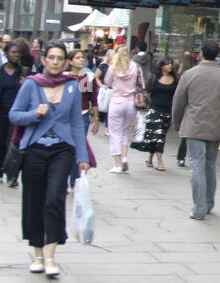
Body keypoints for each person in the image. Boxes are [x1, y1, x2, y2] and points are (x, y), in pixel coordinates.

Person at [8, 42, 90, 278]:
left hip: (62, 150)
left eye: (60, 58)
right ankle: (37, 255)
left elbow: (76, 123)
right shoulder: (31, 85)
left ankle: (51, 256)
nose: (55, 62)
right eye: (51, 57)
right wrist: (35, 114)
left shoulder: (73, 87)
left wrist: (82, 157)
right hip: (34, 149)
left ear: (66, 62)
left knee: (54, 198)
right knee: (34, 200)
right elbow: (14, 114)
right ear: (43, 60)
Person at [171, 40, 220, 220]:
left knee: (196, 166)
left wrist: (177, 122)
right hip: (215, 127)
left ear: (201, 53)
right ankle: (208, 203)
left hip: (193, 126)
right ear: (218, 54)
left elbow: (179, 101)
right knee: (210, 165)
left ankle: (199, 208)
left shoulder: (189, 74)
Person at [0, 39, 33, 186]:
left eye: (18, 53)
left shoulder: (23, 73)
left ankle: (12, 175)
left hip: (17, 114)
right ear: (6, 53)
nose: (16, 55)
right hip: (0, 113)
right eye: (13, 52)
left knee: (13, 144)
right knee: (0, 144)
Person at [101, 43, 145, 173]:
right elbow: (142, 83)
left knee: (115, 133)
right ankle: (125, 157)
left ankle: (117, 164)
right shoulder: (136, 67)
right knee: (125, 132)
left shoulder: (113, 68)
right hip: (131, 103)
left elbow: (107, 82)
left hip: (117, 102)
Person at [131, 57, 178, 171]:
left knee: (160, 135)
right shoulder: (154, 78)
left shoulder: (176, 79)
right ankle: (160, 162)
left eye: (171, 64)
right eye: (167, 64)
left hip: (167, 110)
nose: (169, 66)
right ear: (161, 66)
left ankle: (150, 157)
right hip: (154, 109)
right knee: (158, 134)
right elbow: (146, 92)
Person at [66, 49, 100, 182]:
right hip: (66, 117)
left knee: (79, 147)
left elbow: (93, 99)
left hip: (83, 116)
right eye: (78, 57)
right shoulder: (64, 77)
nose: (81, 60)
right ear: (70, 61)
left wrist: (96, 119)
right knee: (66, 147)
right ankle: (63, 177)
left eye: (83, 57)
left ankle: (75, 180)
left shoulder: (88, 77)